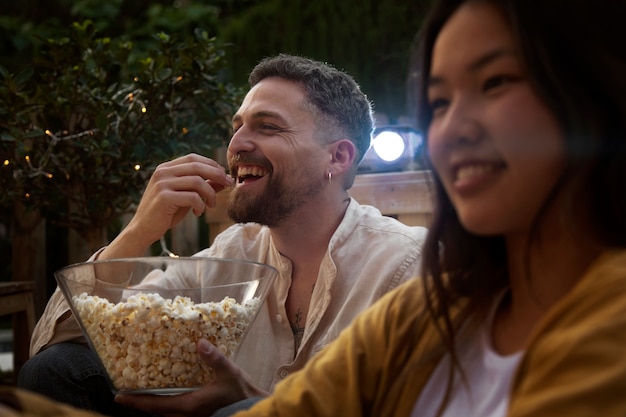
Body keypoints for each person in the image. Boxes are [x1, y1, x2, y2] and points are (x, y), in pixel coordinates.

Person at [216, 0, 626, 415]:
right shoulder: (428, 310)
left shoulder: (611, 315)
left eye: (496, 82)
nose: (450, 130)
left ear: (595, 93)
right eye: (440, 103)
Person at [17, 54, 427, 416]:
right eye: (237, 126)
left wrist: (253, 400)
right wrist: (139, 231)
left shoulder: (407, 266)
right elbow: (65, 335)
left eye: (267, 127)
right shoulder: (231, 255)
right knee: (56, 370)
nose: (236, 144)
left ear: (337, 157)